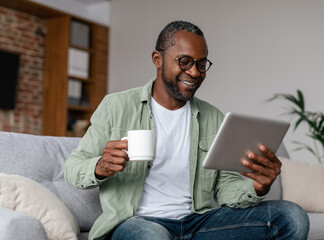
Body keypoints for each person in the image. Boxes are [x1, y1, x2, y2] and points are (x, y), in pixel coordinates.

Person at [65, 20, 309, 240]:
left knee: (292, 216)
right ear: (157, 59)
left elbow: (226, 190)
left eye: (201, 64)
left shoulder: (213, 117)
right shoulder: (116, 106)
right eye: (184, 61)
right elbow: (73, 169)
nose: (194, 72)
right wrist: (100, 167)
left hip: (197, 224)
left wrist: (258, 187)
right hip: (136, 223)